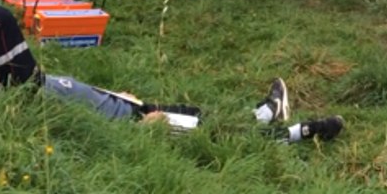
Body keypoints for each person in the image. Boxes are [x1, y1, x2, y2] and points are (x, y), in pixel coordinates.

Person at [34, 74, 344, 143]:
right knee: (218, 136)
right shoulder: (24, 97)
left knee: (197, 114)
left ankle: (267, 114)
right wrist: (138, 131)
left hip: (130, 108)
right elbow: (76, 131)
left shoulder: (22, 74)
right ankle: (302, 131)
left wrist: (114, 95)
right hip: (133, 127)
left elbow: (79, 95)